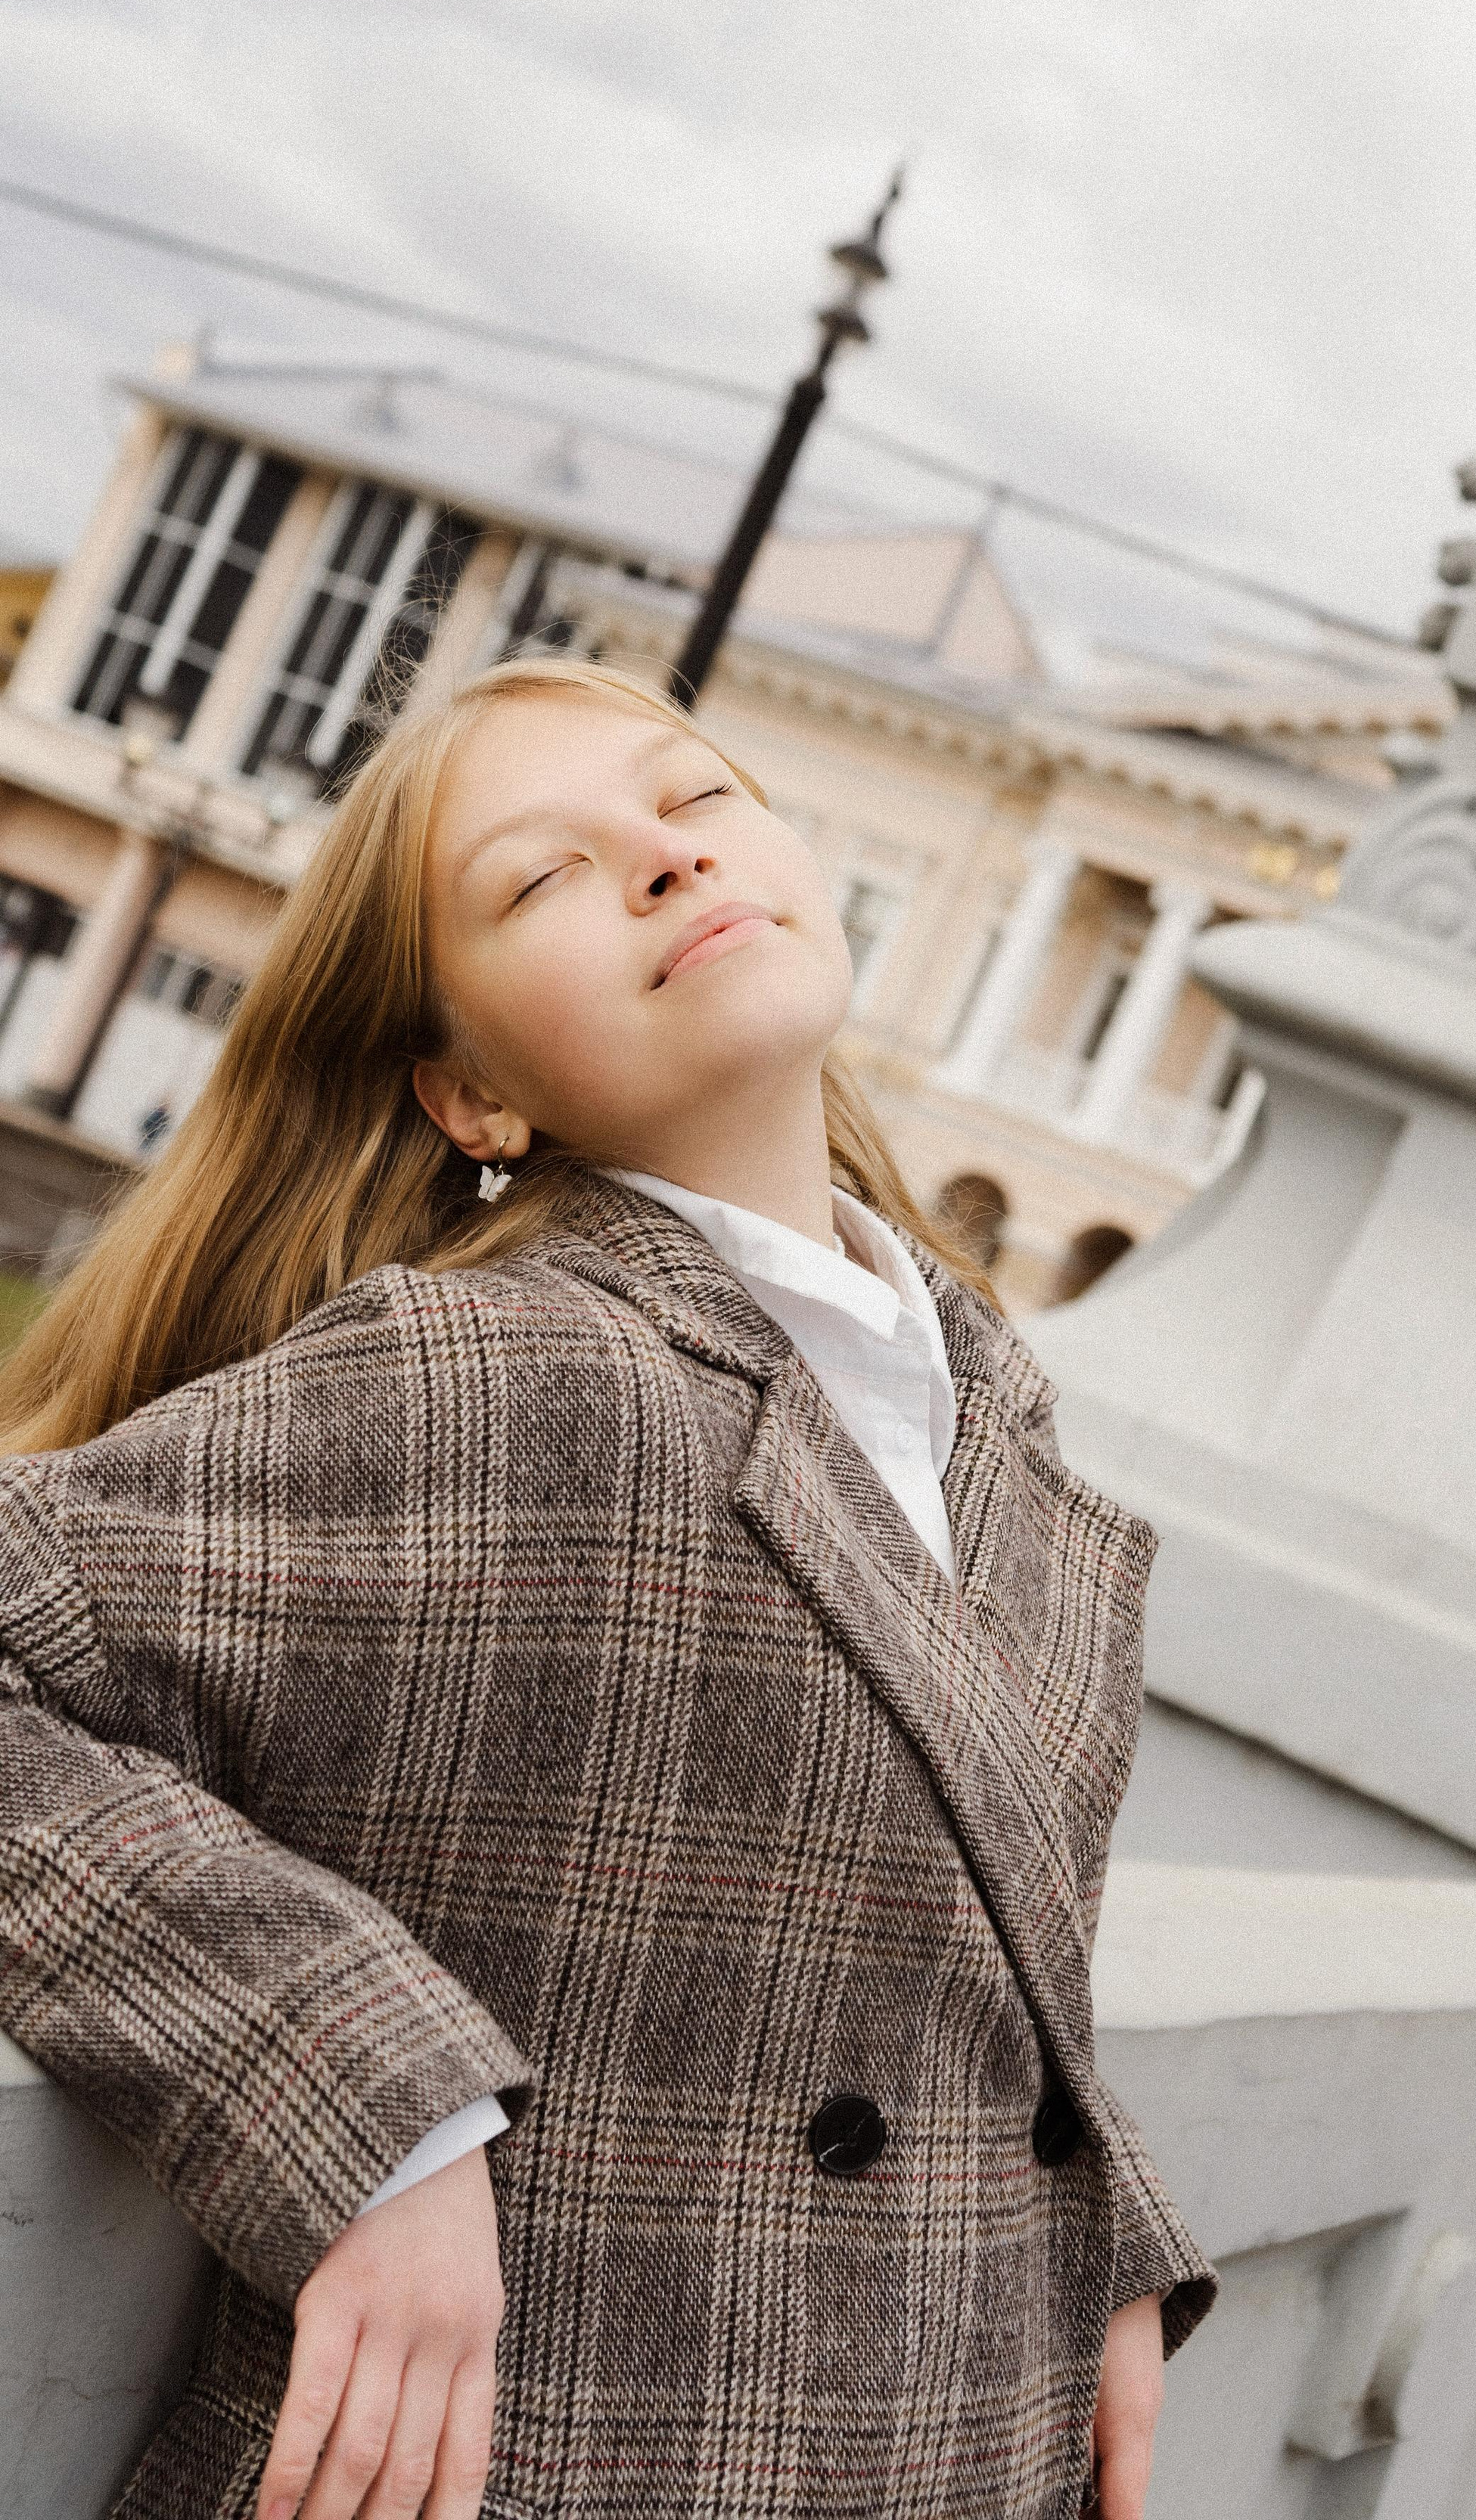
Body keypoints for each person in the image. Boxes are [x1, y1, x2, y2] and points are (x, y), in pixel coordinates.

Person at [0, 655, 1212, 2520]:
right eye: (538, 878)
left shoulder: (1004, 1450)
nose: (658, 856)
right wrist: (351, 2092)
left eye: (691, 797)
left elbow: (896, 1940)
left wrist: (1076, 2202)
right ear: (472, 1090)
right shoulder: (489, 1378)